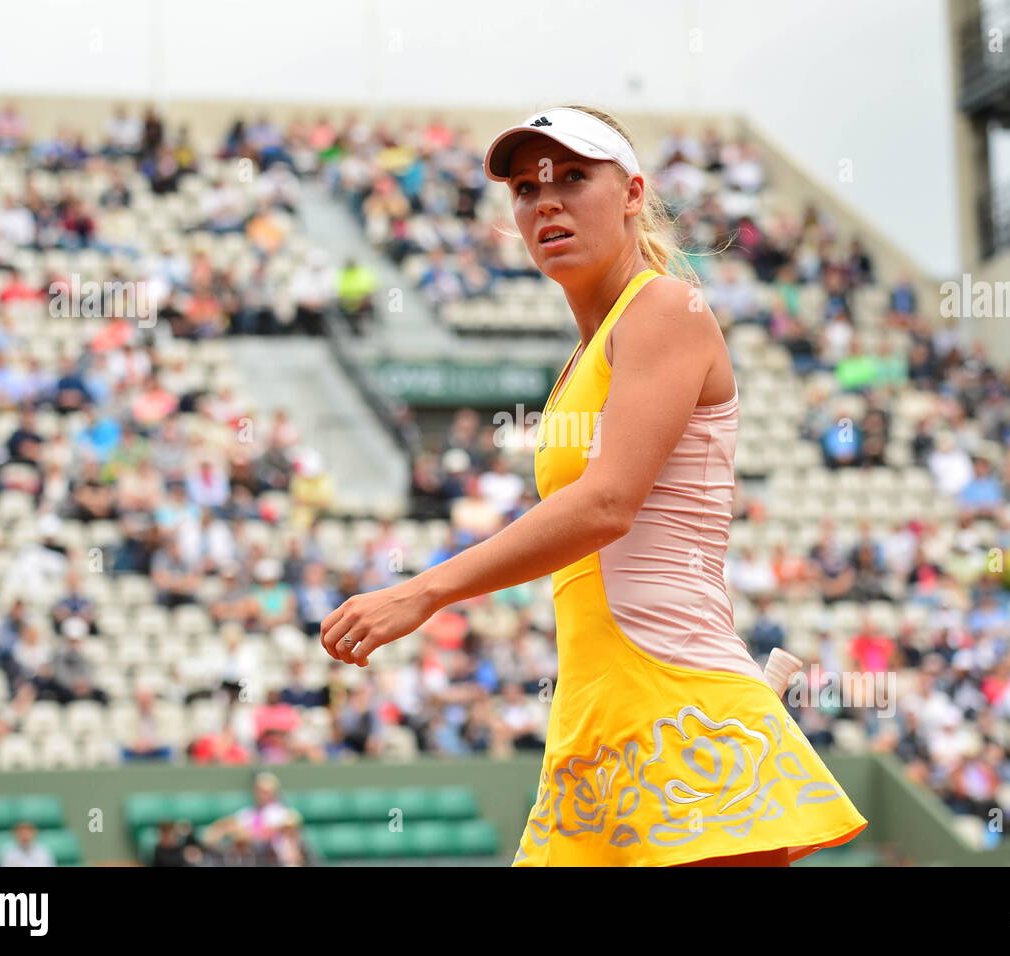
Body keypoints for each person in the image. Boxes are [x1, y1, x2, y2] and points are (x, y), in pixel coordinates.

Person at [319, 105, 867, 867]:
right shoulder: (584, 358)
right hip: (598, 717)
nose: (545, 201)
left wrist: (425, 590)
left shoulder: (667, 307)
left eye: (573, 178)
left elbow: (607, 504)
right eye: (524, 187)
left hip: (680, 705)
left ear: (633, 192)